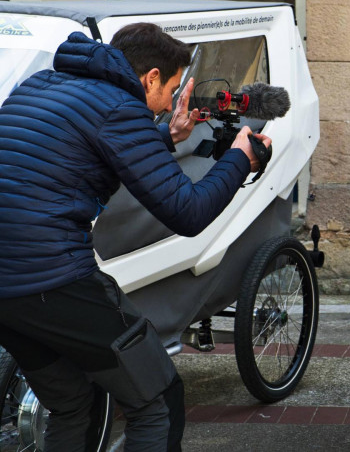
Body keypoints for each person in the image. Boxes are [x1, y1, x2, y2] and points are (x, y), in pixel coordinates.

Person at [0, 23, 269, 451]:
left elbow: (83, 145)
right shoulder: (121, 108)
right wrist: (241, 157)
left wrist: (166, 135)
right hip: (49, 276)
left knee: (75, 403)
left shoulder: (44, 83)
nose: (167, 105)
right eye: (171, 89)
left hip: (8, 290)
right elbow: (189, 211)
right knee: (157, 399)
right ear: (152, 77)